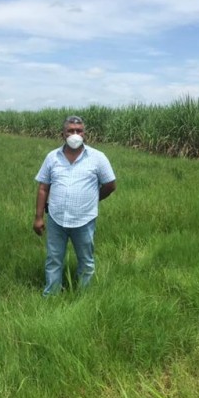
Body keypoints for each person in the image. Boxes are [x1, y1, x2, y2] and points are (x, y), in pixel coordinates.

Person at [33, 115, 116, 296]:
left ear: (84, 134)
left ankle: (84, 295)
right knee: (54, 259)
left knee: (86, 260)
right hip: (56, 218)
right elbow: (43, 188)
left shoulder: (97, 158)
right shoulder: (52, 157)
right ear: (63, 134)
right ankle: (51, 294)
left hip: (84, 219)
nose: (75, 134)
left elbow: (110, 185)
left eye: (79, 131)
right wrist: (39, 217)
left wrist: (93, 199)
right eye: (71, 131)